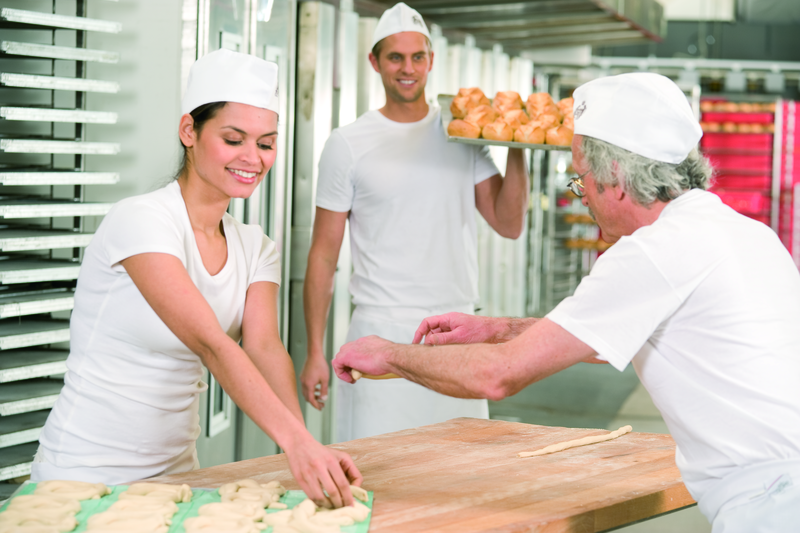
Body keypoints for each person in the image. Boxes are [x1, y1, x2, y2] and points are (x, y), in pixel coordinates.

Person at [333, 72, 800, 531]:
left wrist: (388, 353)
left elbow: (498, 375)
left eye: (582, 180)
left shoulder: (652, 252)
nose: (582, 198)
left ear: (615, 177)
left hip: (771, 505)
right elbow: (602, 336)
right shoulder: (740, 232)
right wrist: (497, 330)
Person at [32, 49, 361, 508]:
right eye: (233, 139)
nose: (252, 158)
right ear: (189, 131)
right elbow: (211, 343)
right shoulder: (141, 221)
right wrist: (295, 444)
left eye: (266, 144)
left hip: (178, 476)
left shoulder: (255, 247)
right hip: (82, 473)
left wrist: (306, 445)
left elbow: (264, 348)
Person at [300, 2, 530, 443]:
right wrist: (314, 351)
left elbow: (508, 223)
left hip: (456, 334)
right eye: (395, 57)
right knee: (379, 467)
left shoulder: (461, 134)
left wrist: (519, 146)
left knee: (461, 466)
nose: (408, 68)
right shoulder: (348, 144)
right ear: (375, 62)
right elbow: (323, 256)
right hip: (380, 332)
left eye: (417, 57)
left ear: (431, 60)